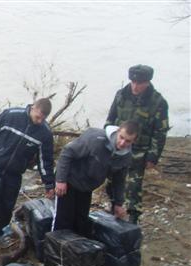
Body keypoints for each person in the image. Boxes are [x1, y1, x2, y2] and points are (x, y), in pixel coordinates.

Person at [0, 98, 56, 244]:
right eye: (38, 117)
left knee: (7, 205)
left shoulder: (44, 133)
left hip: (14, 174)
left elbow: (45, 161)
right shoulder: (11, 115)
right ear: (33, 108)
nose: (39, 121)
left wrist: (49, 184)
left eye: (43, 119)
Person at [105, 64, 169, 224]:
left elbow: (160, 132)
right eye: (133, 82)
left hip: (139, 151)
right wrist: (106, 140)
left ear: (147, 82)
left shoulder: (158, 102)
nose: (135, 86)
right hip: (118, 146)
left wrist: (153, 156)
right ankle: (114, 209)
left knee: (133, 187)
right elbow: (110, 120)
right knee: (110, 182)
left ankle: (133, 219)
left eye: (139, 83)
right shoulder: (121, 95)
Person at [52, 121, 139, 236]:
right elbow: (67, 153)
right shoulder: (95, 139)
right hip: (69, 180)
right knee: (63, 220)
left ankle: (74, 251)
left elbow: (119, 181)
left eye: (128, 141)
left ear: (133, 141)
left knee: (81, 221)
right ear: (117, 132)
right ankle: (54, 250)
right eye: (121, 137)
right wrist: (61, 180)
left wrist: (118, 203)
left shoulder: (125, 157)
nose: (122, 143)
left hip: (87, 187)